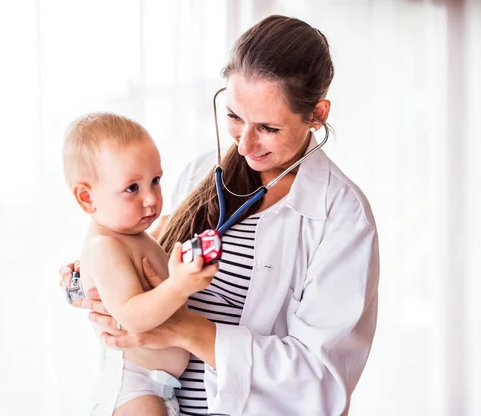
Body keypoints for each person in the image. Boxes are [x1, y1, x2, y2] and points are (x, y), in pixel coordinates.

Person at [61, 15, 379, 416]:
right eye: (234, 117)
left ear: (317, 114)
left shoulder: (341, 217)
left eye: (268, 127)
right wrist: (85, 286)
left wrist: (189, 330)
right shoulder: (200, 174)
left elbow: (321, 382)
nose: (245, 144)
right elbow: (136, 258)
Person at [61, 112, 219, 416]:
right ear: (86, 198)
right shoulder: (105, 246)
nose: (151, 199)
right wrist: (179, 285)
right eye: (132, 188)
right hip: (133, 388)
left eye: (155, 181)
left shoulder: (135, 235)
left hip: (159, 386)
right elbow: (132, 316)